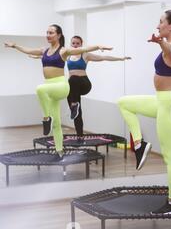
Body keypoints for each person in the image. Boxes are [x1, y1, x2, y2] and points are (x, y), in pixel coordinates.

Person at [118, 10, 171, 214]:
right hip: (161, 101)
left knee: (170, 157)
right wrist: (160, 43)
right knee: (124, 103)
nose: (157, 26)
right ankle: (140, 145)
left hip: (170, 104)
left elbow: (169, 50)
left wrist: (160, 42)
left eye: (160, 22)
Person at [4, 24, 112, 156]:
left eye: (51, 33)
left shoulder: (63, 51)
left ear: (59, 35)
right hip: (50, 86)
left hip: (61, 85)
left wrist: (97, 46)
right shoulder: (44, 50)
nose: (48, 35)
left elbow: (82, 49)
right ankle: (59, 150)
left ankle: (46, 118)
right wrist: (15, 46)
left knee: (40, 89)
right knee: (56, 123)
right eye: (47, 32)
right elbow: (29, 50)